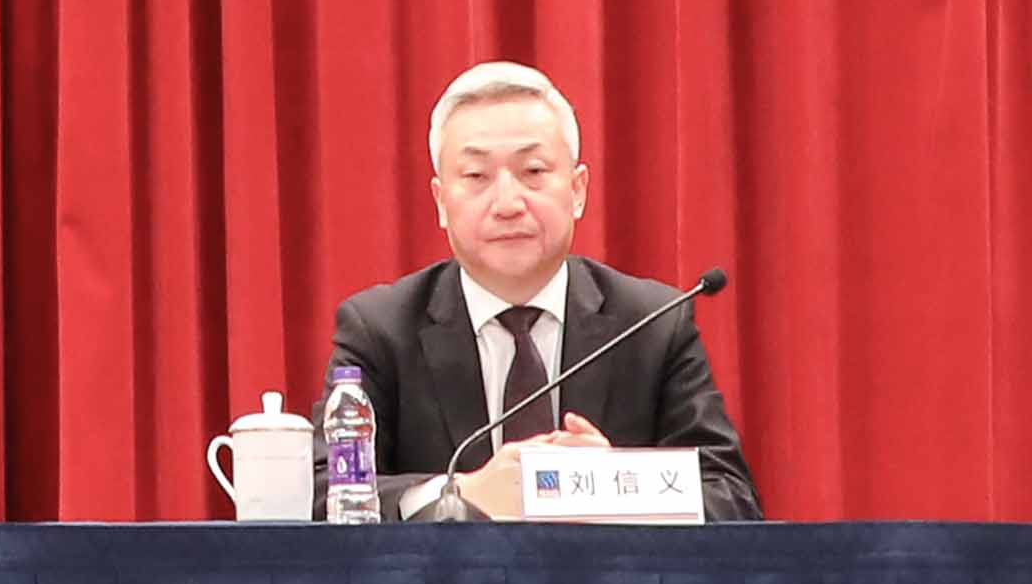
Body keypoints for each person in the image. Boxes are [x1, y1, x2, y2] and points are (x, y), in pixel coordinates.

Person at [323, 61, 762, 520]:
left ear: (577, 190)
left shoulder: (652, 324)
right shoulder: (380, 330)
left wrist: (611, 487)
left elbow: (732, 498)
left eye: (533, 171)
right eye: (476, 177)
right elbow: (323, 494)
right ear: (441, 202)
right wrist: (460, 492)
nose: (507, 203)